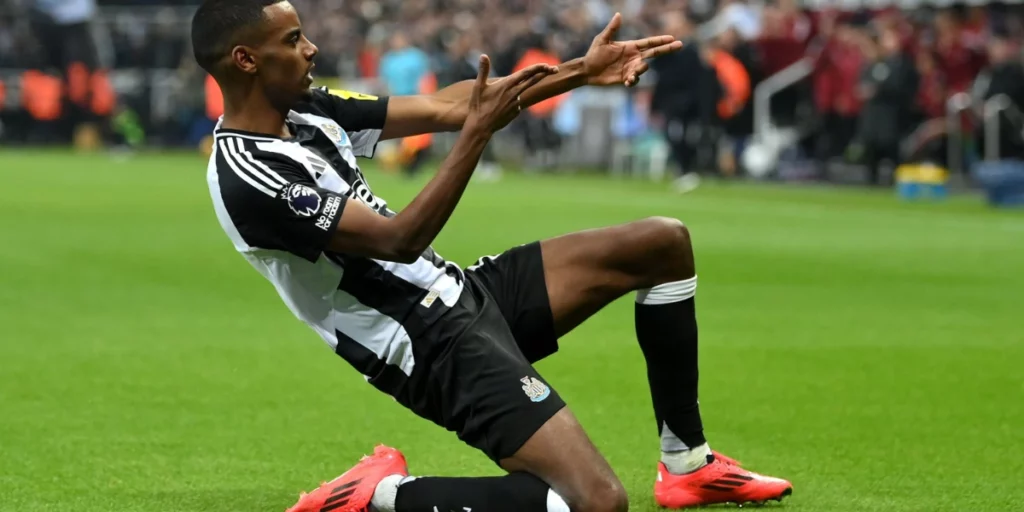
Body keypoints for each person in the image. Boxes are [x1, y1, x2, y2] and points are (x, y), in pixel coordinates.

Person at [191, 1, 792, 511]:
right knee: (598, 502)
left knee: (662, 242)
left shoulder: (308, 110)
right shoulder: (249, 175)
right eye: (294, 40)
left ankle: (686, 464)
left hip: (461, 292)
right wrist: (476, 137)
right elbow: (398, 238)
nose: (312, 49)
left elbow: (454, 106)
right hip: (426, 345)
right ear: (245, 59)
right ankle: (382, 496)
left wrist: (582, 70)